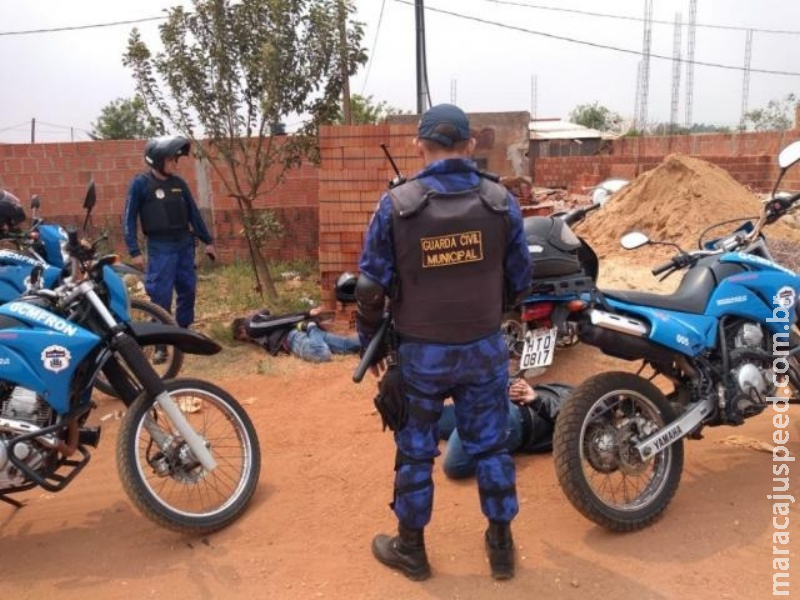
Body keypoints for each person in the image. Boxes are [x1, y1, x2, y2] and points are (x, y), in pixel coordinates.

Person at [355, 103, 532, 581]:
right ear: (470, 146)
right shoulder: (501, 202)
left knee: (415, 451)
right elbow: (520, 279)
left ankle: (411, 550)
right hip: (483, 348)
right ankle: (500, 545)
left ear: (419, 145)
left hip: (420, 354)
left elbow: (371, 286)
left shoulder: (397, 204)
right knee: (491, 447)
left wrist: (370, 339)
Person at [123, 135, 216, 338]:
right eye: (171, 159)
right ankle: (161, 341)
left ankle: (184, 331)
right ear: (157, 160)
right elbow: (128, 218)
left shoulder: (179, 184)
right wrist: (134, 251)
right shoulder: (140, 184)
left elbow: (194, 214)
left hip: (184, 243)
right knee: (160, 295)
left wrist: (207, 241)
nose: (176, 163)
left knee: (187, 290)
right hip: (160, 247)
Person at [438, 379, 570, 479]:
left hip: (515, 418)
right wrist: (513, 386)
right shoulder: (583, 393)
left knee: (455, 465)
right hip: (506, 404)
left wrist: (536, 400)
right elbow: (538, 390)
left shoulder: (586, 411)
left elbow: (566, 416)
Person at [232, 306, 361, 363]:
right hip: (298, 333)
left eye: (242, 338)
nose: (246, 340)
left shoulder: (251, 326)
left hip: (292, 338)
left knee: (322, 354)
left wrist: (306, 314)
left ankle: (311, 327)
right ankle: (375, 339)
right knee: (346, 345)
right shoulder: (256, 324)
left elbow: (280, 320)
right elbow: (272, 316)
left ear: (242, 329)